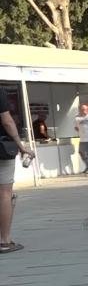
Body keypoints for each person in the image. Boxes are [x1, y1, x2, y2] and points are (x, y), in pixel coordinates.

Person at [0, 89, 32, 254]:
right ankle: (4, 241)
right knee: (5, 194)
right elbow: (7, 121)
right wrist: (21, 145)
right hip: (2, 151)